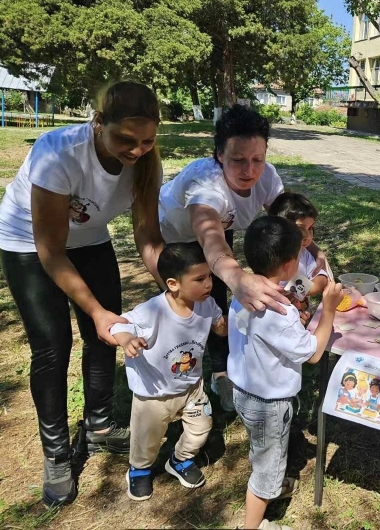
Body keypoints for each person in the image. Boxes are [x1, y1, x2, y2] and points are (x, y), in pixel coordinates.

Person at [0, 81, 166, 507]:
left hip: (89, 239)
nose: (137, 150)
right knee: (53, 346)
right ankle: (56, 453)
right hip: (28, 244)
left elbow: (147, 236)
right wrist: (95, 309)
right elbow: (51, 252)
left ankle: (99, 426)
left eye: (146, 140)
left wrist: (173, 286)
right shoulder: (59, 154)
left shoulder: (147, 163)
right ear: (98, 123)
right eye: (125, 139)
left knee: (105, 335)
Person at [158, 104, 326, 412]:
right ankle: (185, 383)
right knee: (197, 303)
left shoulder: (267, 177)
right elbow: (210, 237)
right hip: (176, 236)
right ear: (219, 155)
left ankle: (223, 371)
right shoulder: (205, 184)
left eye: (257, 159)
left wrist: (314, 252)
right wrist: (238, 277)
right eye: (237, 160)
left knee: (221, 299)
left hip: (223, 225)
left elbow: (287, 227)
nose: (249, 170)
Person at [226, 216, 343, 530]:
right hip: (269, 404)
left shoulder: (244, 291)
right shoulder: (281, 313)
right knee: (267, 470)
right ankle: (254, 523)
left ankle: (268, 486)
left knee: (263, 449)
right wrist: (329, 309)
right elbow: (314, 353)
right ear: (291, 264)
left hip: (244, 393)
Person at [110, 243, 225, 501]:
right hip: (155, 393)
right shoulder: (152, 311)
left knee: (201, 427)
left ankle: (180, 459)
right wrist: (127, 339)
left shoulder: (206, 304)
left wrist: (224, 326)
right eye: (200, 279)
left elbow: (219, 323)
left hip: (192, 386)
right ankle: (139, 469)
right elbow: (119, 325)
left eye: (210, 276)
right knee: (146, 438)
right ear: (173, 284)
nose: (209, 284)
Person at [268, 192, 329, 324]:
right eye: (301, 228)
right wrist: (301, 290)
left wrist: (298, 292)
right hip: (276, 320)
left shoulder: (304, 252)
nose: (307, 235)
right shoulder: (271, 256)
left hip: (298, 317)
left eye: (310, 228)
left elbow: (322, 277)